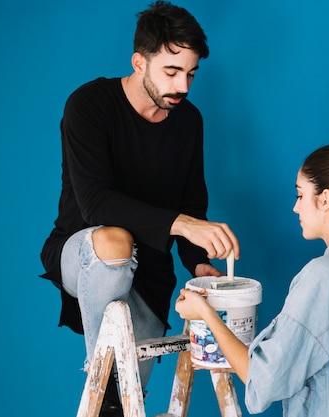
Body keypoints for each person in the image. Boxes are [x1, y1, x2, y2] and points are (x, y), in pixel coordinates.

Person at [39, 2, 239, 415]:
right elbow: (95, 203)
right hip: (85, 253)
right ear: (138, 62)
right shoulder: (89, 105)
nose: (183, 86)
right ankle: (105, 385)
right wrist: (184, 225)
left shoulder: (189, 121)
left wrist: (198, 262)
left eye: (190, 74)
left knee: (123, 402)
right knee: (115, 240)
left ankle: (109, 400)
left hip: (150, 271)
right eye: (171, 72)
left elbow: (191, 202)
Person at [176, 144, 329, 416]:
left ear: (326, 199)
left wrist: (206, 312)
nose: (295, 208)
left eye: (300, 195)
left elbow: (264, 379)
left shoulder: (324, 277)